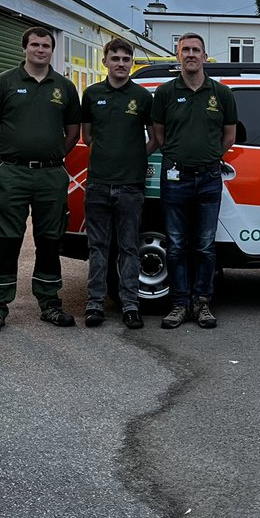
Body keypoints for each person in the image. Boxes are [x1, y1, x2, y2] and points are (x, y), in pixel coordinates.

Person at [0, 27, 82, 334]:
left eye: (46, 45)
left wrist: (52, 157)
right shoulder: (4, 82)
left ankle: (49, 302)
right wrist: (10, 157)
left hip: (51, 175)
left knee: (50, 240)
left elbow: (73, 131)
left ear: (52, 50)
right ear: (25, 48)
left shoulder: (64, 86)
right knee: (6, 240)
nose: (41, 50)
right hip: (12, 173)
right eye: (35, 44)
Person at [150, 33, 237, 330]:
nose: (190, 54)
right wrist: (178, 156)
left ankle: (202, 302)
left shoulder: (221, 94)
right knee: (175, 245)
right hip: (175, 177)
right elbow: (158, 134)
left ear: (204, 56)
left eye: (196, 50)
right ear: (177, 55)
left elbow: (229, 135)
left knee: (204, 245)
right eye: (185, 49)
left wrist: (210, 156)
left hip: (210, 177)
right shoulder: (164, 93)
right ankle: (178, 304)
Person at [80, 38, 156, 329]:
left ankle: (130, 305)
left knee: (129, 248)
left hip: (131, 185)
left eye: (126, 58)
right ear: (105, 62)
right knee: (98, 247)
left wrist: (135, 155)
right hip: (98, 183)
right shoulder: (91, 94)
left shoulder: (142, 97)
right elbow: (87, 137)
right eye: (116, 58)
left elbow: (155, 137)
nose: (121, 63)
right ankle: (95, 304)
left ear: (131, 62)